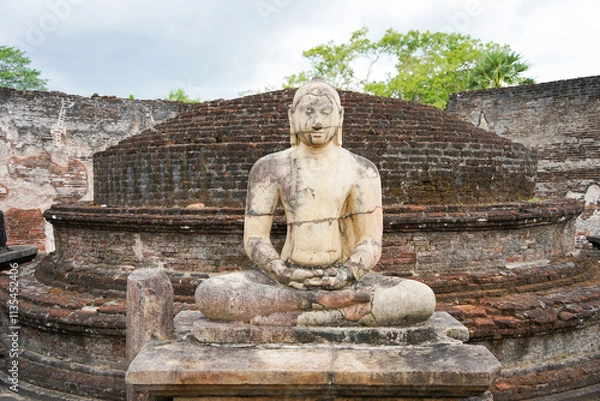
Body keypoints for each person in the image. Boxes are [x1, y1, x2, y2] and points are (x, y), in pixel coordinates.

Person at [195, 78, 435, 326]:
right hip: (286, 279)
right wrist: (281, 271)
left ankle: (303, 311)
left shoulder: (362, 170)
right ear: (292, 116)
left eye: (325, 112)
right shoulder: (268, 168)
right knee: (210, 293)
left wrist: (346, 273)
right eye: (308, 112)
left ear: (340, 117)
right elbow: (255, 240)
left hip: (342, 279)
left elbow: (370, 242)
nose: (317, 122)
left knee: (420, 298)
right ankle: (333, 311)